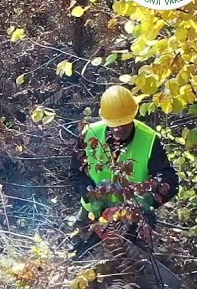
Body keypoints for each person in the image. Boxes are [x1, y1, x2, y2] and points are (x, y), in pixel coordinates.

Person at [69, 85, 179, 254]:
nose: (119, 128)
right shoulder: (89, 134)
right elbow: (76, 174)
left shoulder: (149, 139)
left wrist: (146, 201)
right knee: (77, 255)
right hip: (93, 210)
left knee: (134, 261)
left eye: (124, 123)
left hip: (133, 214)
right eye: (114, 124)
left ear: (133, 116)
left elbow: (169, 179)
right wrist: (90, 194)